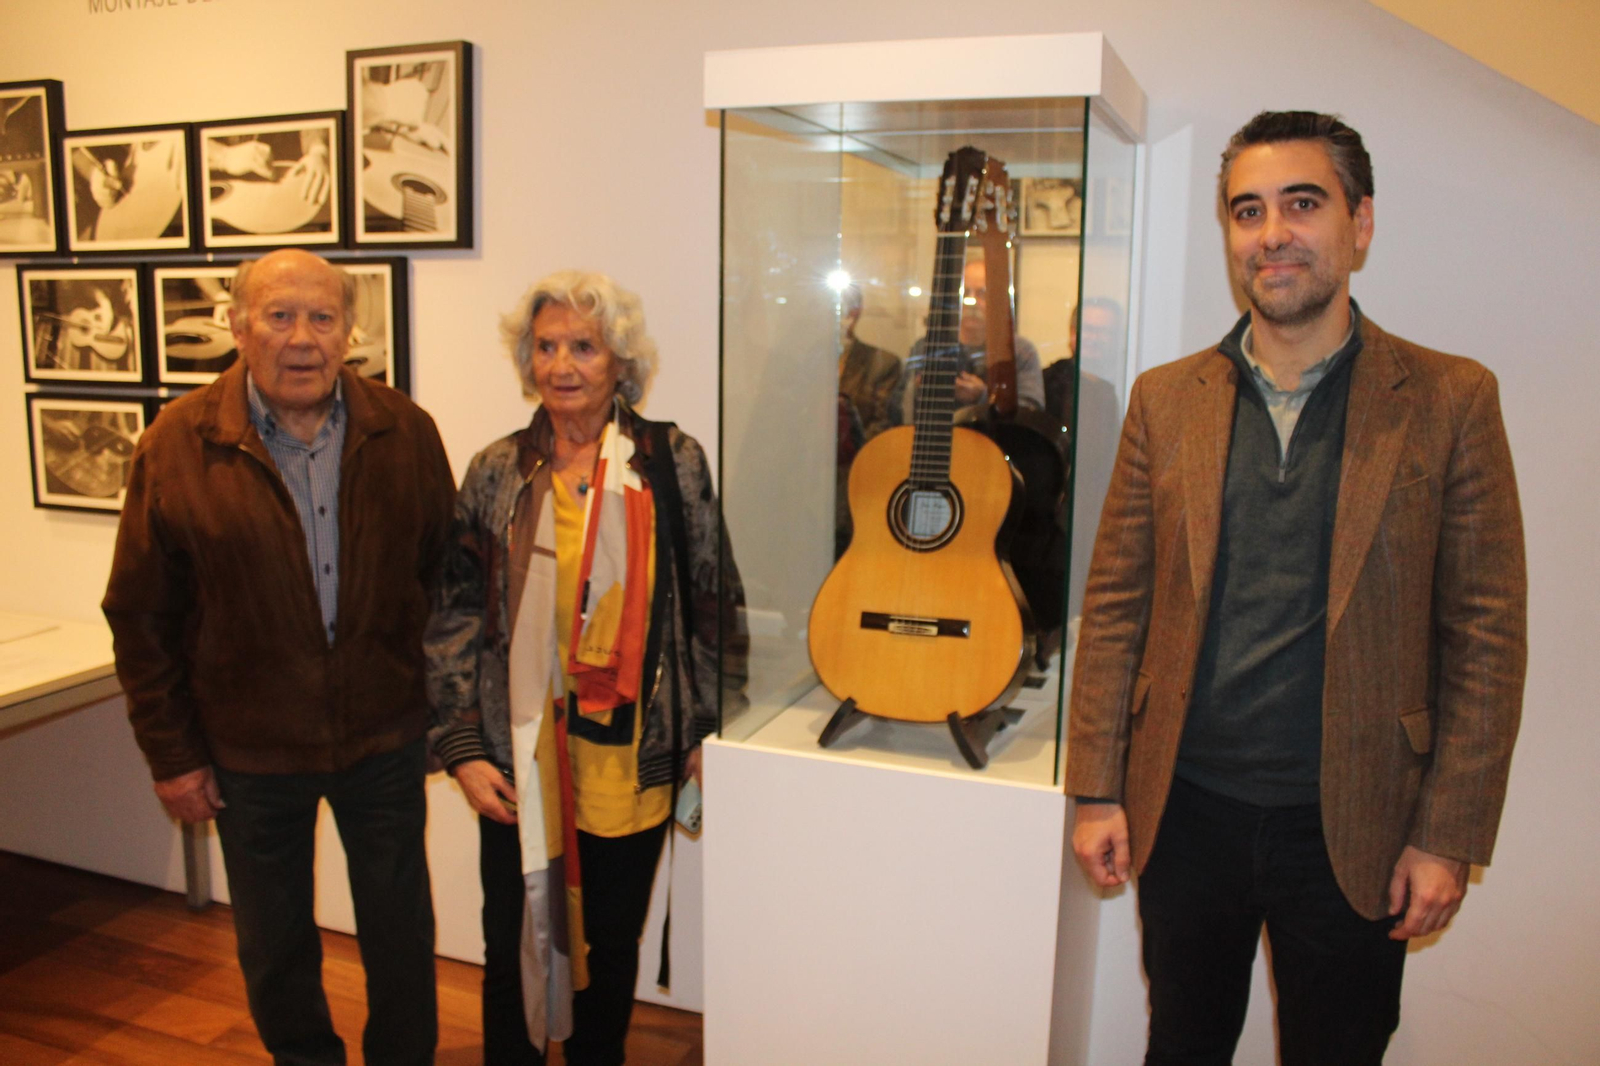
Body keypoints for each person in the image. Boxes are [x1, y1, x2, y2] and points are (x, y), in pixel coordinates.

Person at [1066, 111, 1526, 1065]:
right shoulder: (1165, 400)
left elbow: (1486, 635)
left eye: (1301, 204)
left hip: (1358, 825)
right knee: (1182, 1044)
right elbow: (1116, 605)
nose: (1271, 232)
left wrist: (1447, 837)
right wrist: (1097, 788)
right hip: (1186, 813)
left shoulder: (1450, 399)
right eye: (1247, 211)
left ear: (1359, 224)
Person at [103, 248, 456, 1066]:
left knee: (402, 934)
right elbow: (141, 614)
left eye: (323, 317)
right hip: (251, 751)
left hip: (383, 740)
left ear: (349, 331)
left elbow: (445, 577)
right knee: (275, 945)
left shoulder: (404, 431)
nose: (302, 339)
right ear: (238, 326)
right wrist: (172, 754)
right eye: (279, 316)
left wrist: (441, 712)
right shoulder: (179, 443)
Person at [426, 270, 746, 1066]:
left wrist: (708, 728)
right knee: (516, 939)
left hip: (632, 756)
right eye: (546, 346)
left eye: (584, 345)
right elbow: (452, 615)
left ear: (619, 361)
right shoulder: (497, 469)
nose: (563, 364)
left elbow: (714, 600)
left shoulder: (671, 462)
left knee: (610, 942)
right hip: (519, 757)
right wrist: (462, 749)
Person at [891, 257, 1044, 423]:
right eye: (964, 293)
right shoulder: (927, 347)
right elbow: (895, 410)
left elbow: (1031, 413)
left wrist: (983, 397)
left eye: (982, 294)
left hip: (994, 446)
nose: (970, 302)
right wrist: (919, 389)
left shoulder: (1018, 350)